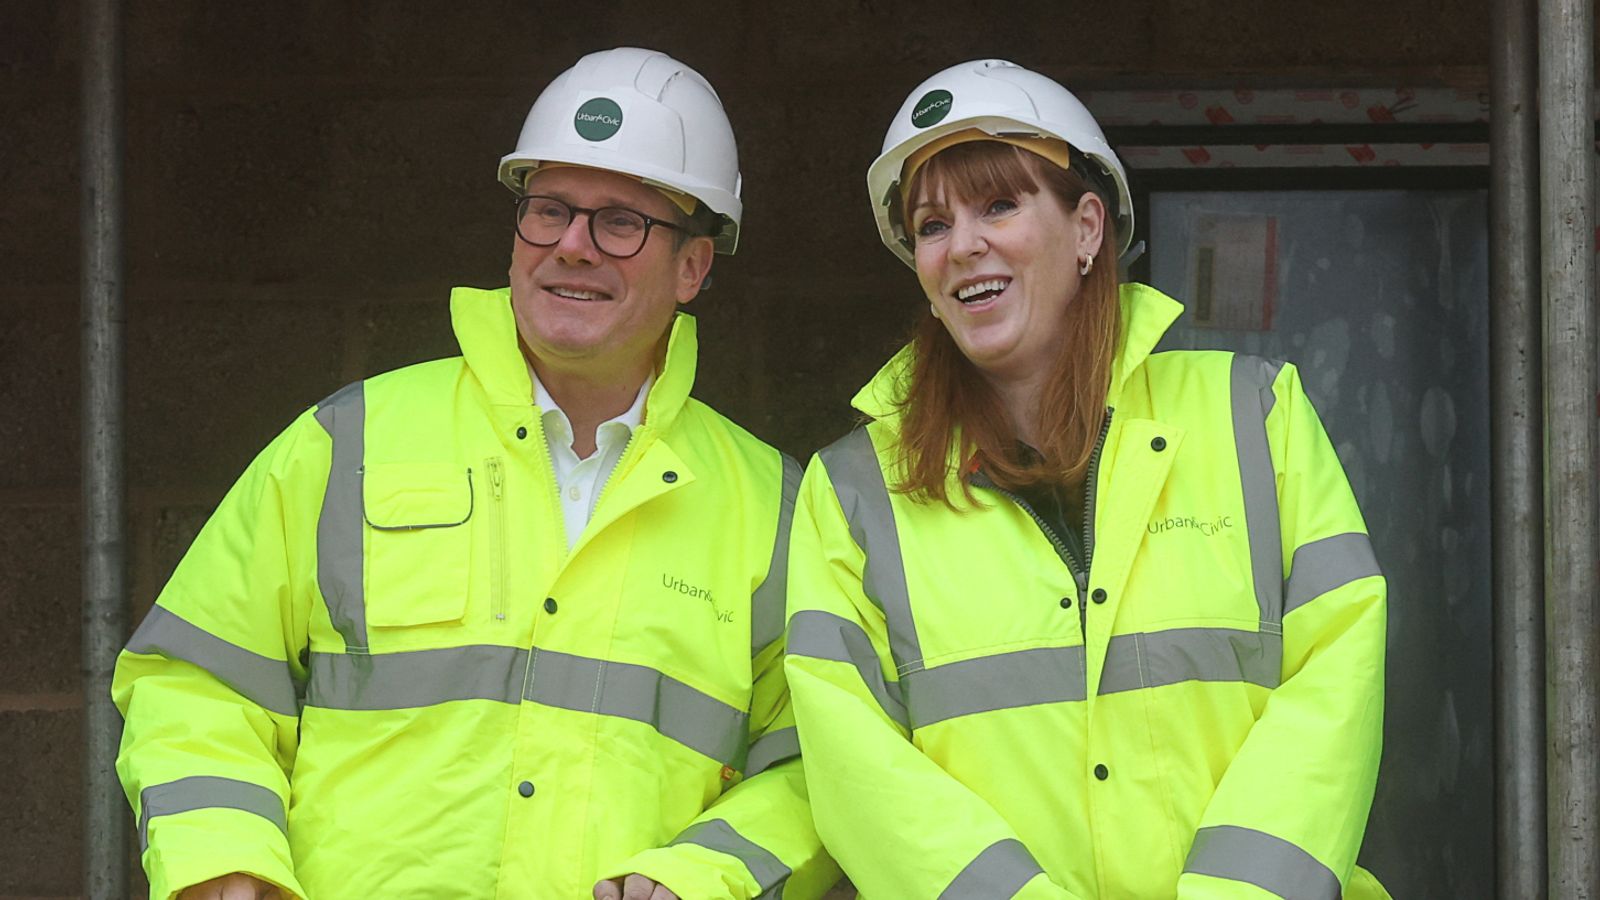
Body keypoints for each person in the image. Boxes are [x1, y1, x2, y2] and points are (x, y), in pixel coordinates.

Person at [113, 47, 837, 900]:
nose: (572, 246)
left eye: (620, 222)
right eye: (550, 210)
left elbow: (820, 762)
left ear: (694, 267)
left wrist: (702, 877)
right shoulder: (347, 440)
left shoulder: (778, 507)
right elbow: (197, 684)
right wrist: (226, 862)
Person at [784, 59, 1389, 899]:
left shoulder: (1256, 418)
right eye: (931, 225)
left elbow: (1336, 689)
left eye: (999, 204)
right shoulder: (851, 492)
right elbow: (860, 773)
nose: (963, 244)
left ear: (1087, 228)